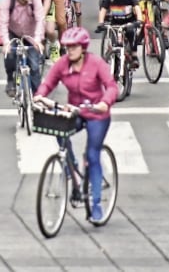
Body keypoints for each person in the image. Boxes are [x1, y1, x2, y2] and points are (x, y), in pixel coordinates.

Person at [34, 26, 117, 223]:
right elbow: (48, 83)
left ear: (83, 48)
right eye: (67, 47)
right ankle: (72, 170)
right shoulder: (62, 64)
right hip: (75, 111)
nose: (69, 50)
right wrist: (39, 95)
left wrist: (105, 102)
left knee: (92, 154)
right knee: (58, 129)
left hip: (96, 114)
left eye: (74, 47)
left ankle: (96, 206)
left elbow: (111, 86)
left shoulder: (96, 63)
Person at [0, 0, 45, 97]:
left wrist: (38, 40)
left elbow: (40, 20)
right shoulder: (8, 1)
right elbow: (3, 23)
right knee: (10, 55)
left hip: (31, 35)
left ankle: (37, 98)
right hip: (14, 32)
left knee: (34, 66)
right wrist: (6, 43)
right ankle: (10, 79)